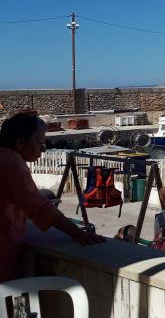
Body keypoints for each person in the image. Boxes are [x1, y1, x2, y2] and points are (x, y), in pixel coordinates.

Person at [0, 113, 105, 282]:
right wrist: (78, 234)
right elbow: (40, 207)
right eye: (40, 142)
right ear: (20, 142)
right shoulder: (12, 162)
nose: (44, 149)